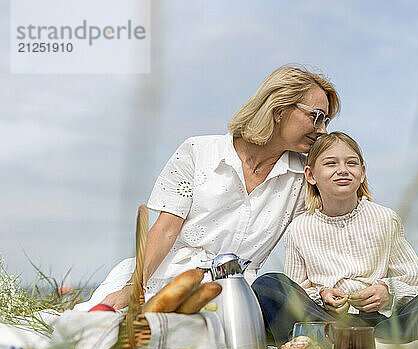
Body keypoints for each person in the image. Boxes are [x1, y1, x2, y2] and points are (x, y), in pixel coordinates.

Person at [74, 65, 340, 311]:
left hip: (233, 300)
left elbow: (334, 228)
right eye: (317, 117)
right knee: (97, 332)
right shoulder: (197, 152)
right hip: (160, 277)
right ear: (279, 109)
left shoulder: (306, 178)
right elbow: (165, 229)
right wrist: (134, 288)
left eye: (326, 121)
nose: (323, 130)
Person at [251, 132, 418, 349]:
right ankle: (354, 343)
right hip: (328, 321)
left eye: (351, 163)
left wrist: (386, 291)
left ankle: (368, 344)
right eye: (331, 163)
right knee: (268, 285)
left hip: (387, 323)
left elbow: (414, 283)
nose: (342, 170)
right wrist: (322, 294)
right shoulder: (299, 229)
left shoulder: (385, 218)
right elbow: (297, 290)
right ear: (311, 175)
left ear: (362, 172)